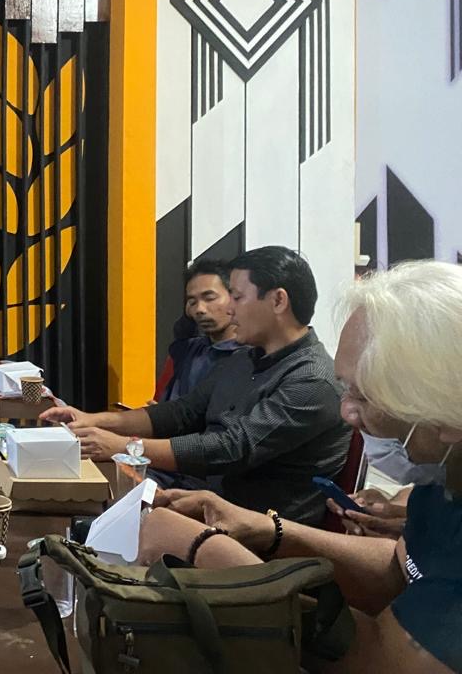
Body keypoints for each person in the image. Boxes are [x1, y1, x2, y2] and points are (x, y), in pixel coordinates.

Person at [137, 260, 462, 674]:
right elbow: (398, 569)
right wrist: (270, 530)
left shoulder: (309, 378)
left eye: (363, 397)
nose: (346, 412)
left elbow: (385, 662)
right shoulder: (441, 477)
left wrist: (214, 558)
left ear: (446, 413)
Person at [42, 246, 350, 525]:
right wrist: (92, 420)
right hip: (205, 502)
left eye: (237, 297)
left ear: (278, 300)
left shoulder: (313, 380)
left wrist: (124, 447)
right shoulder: (245, 358)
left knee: (81, 514)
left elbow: (232, 448)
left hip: (254, 528)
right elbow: (182, 412)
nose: (231, 309)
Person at [154, 259, 245, 402]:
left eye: (209, 298)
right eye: (192, 302)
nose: (199, 309)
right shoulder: (189, 350)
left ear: (235, 297)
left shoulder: (252, 355)